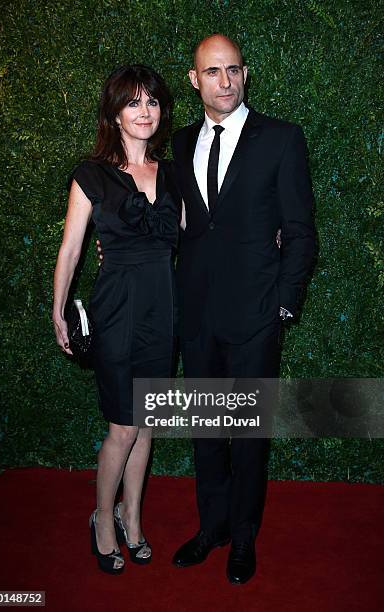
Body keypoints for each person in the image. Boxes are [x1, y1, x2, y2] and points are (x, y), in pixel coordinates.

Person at [171, 34, 316, 584]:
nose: (224, 81)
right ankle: (213, 528)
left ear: (245, 74)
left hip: (257, 315)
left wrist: (283, 306)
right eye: (212, 72)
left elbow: (301, 231)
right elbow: (177, 222)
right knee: (207, 429)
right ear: (195, 80)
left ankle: (244, 538)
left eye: (233, 70)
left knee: (249, 433)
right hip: (198, 315)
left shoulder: (281, 139)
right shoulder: (181, 144)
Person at [52, 65, 180, 575]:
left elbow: (200, 233)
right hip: (116, 311)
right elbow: (71, 248)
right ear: (115, 113)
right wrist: (58, 309)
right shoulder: (91, 175)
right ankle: (103, 517)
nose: (143, 111)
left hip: (163, 310)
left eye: (151, 102)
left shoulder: (171, 173)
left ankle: (133, 514)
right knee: (122, 429)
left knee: (146, 423)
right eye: (133, 102)